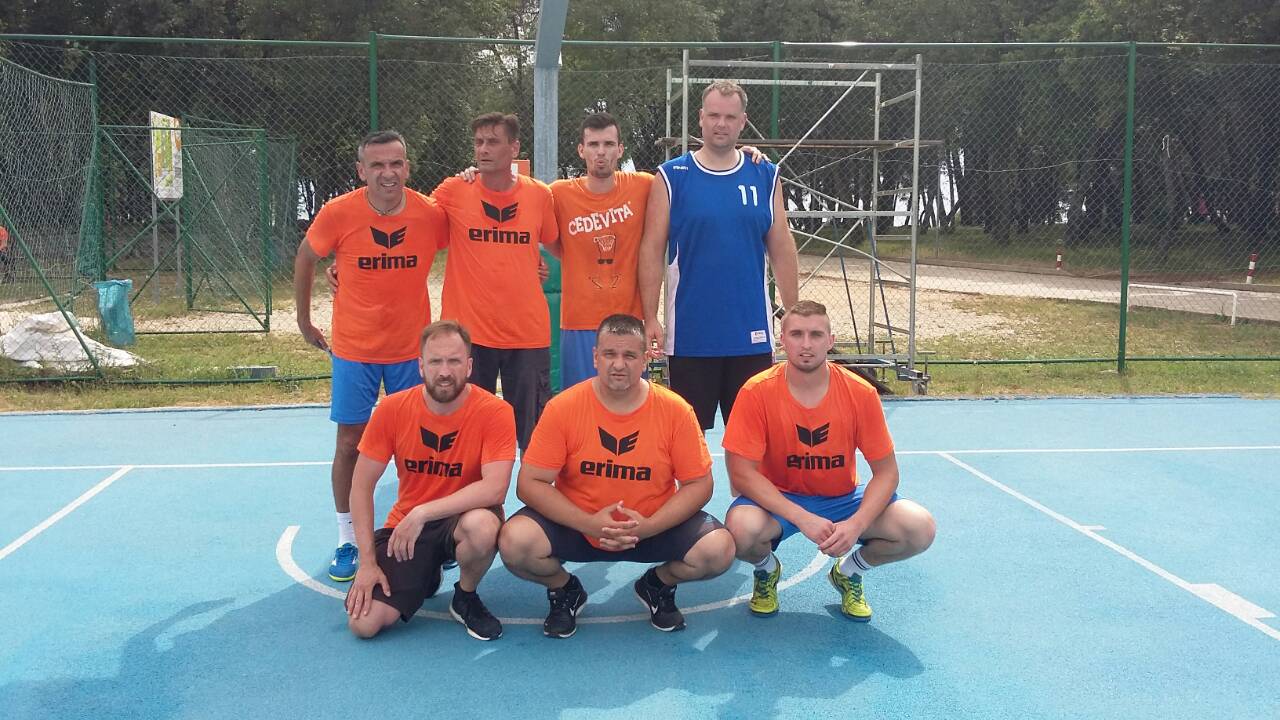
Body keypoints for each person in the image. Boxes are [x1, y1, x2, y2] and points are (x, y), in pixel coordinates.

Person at [498, 314, 735, 638]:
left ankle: (657, 585)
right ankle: (564, 589)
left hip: (651, 526)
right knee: (515, 543)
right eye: (610, 354)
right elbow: (529, 483)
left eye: (629, 355)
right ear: (595, 356)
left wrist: (650, 526)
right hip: (579, 526)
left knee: (718, 550)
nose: (619, 364)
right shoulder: (564, 407)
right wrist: (588, 523)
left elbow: (699, 484)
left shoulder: (675, 410)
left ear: (645, 359)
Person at [293, 130, 447, 582]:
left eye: (395, 163)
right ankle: (347, 537)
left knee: (418, 448)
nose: (387, 173)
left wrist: (536, 264)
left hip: (410, 352)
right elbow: (306, 257)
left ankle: (421, 532)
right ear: (361, 171)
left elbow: (479, 240)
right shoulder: (338, 213)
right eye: (377, 165)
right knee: (349, 443)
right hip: (355, 350)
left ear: (407, 167)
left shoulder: (430, 214)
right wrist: (304, 320)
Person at [723, 300, 935, 620]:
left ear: (830, 341)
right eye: (797, 334)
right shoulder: (757, 391)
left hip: (842, 498)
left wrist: (856, 524)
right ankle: (766, 569)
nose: (806, 344)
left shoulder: (859, 393)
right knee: (740, 531)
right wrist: (801, 517)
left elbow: (887, 473)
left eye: (816, 335)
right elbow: (741, 473)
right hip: (780, 497)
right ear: (782, 340)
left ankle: (850, 572)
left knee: (919, 528)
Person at [551, 112, 767, 388]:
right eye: (593, 144)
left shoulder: (644, 185)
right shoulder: (559, 193)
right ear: (581, 150)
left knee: (629, 402)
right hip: (578, 322)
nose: (601, 152)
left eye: (608, 144)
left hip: (629, 321)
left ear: (620, 149)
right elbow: (549, 239)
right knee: (580, 403)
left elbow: (697, 175)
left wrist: (739, 155)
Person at [639, 80, 800, 431]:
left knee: (754, 438)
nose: (720, 124)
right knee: (686, 438)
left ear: (743, 121)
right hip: (691, 336)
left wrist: (793, 312)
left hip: (750, 334)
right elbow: (651, 249)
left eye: (729, 117)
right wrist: (650, 316)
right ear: (700, 118)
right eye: (713, 115)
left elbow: (782, 246)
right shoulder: (671, 176)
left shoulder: (765, 174)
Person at [344, 320, 516, 641]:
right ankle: (427, 572)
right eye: (435, 361)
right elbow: (361, 487)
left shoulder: (495, 411)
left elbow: (495, 488)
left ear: (469, 366)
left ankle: (465, 596)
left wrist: (423, 512)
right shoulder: (393, 409)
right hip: (407, 528)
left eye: (454, 361)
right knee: (363, 624)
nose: (445, 371)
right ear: (421, 366)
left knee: (482, 528)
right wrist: (367, 562)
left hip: (461, 518)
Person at [432, 113, 560, 451]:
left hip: (527, 335)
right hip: (469, 336)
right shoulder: (454, 191)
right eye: (478, 142)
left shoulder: (539, 195)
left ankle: (532, 489)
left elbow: (553, 244)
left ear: (514, 148)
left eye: (492, 142)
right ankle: (474, 490)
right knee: (466, 438)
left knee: (535, 440)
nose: (483, 149)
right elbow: (413, 227)